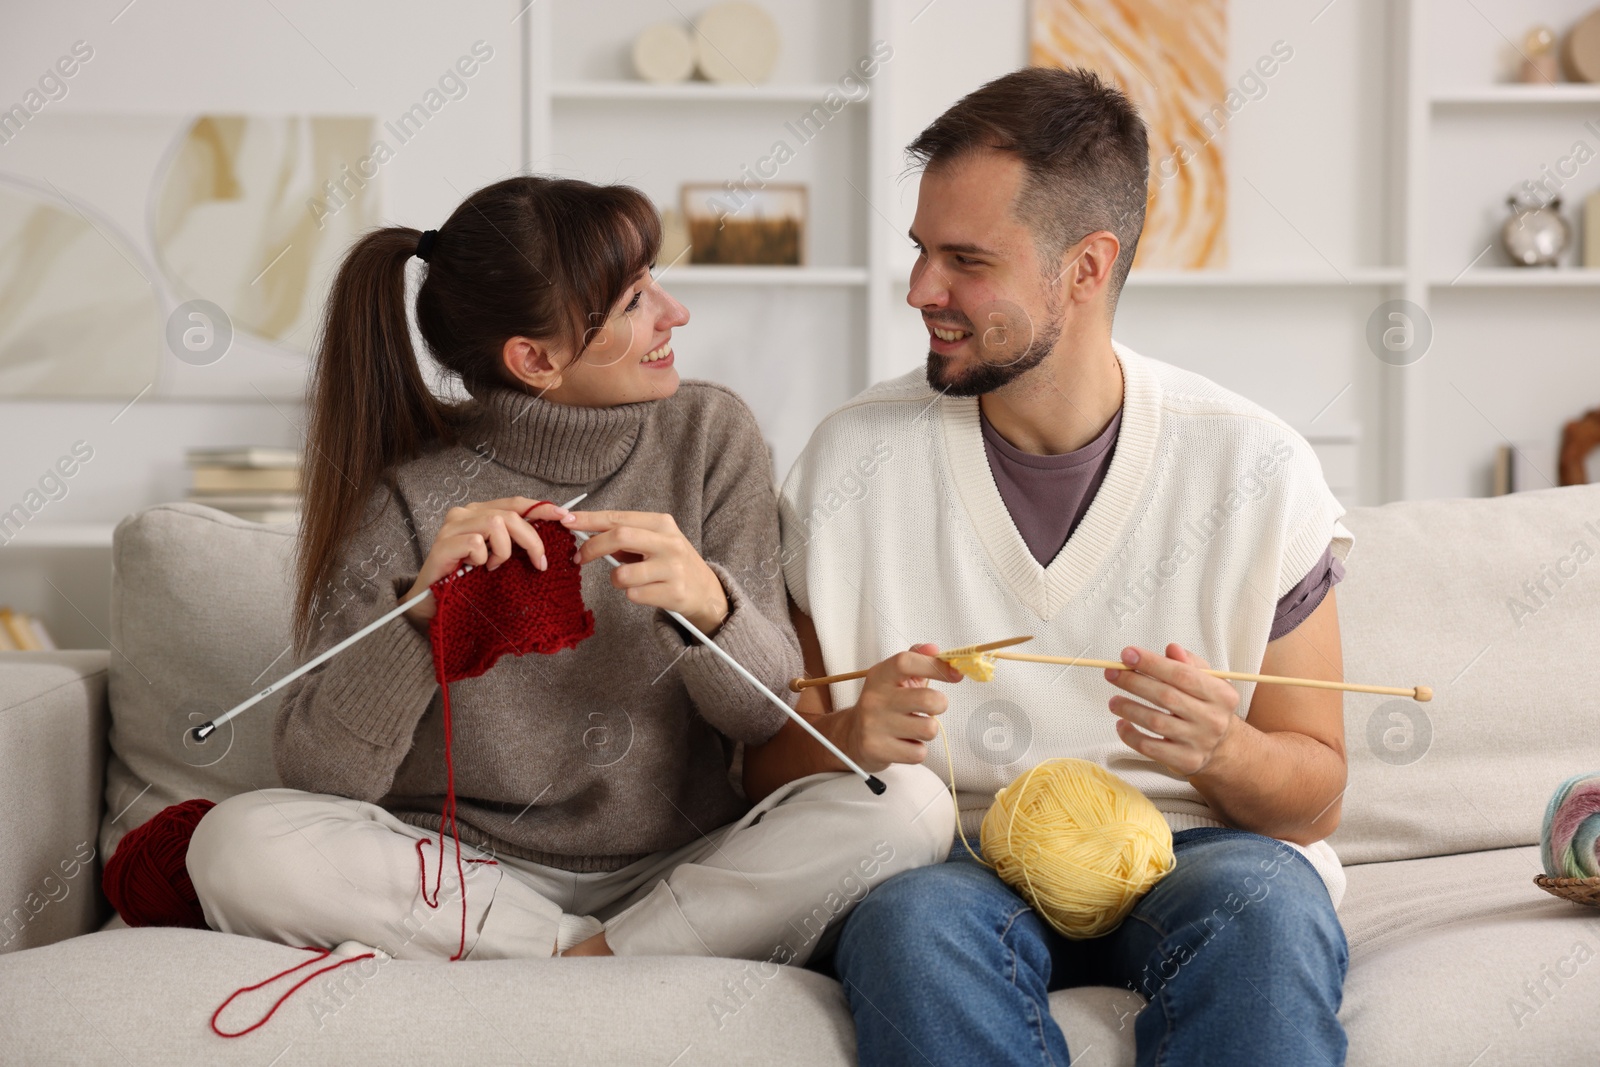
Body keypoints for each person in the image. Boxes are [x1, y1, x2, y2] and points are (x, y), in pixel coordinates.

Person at [186, 175, 954, 966]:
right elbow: (321, 776)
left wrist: (710, 607)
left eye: (654, 280)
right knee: (232, 845)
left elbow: (765, 723)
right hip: (467, 876)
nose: (673, 313)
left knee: (910, 804)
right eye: (631, 303)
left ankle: (587, 957)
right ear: (533, 358)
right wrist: (418, 620)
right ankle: (591, 959)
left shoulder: (709, 435)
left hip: (677, 868)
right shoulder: (410, 495)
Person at [746, 67, 1352, 1065]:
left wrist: (1224, 751)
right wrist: (850, 729)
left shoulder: (1255, 465)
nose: (919, 290)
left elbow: (1317, 794)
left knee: (1268, 907)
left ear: (1085, 265)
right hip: (956, 856)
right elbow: (756, 762)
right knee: (909, 924)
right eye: (919, 252)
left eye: (965, 260)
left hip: (1191, 848)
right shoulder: (850, 460)